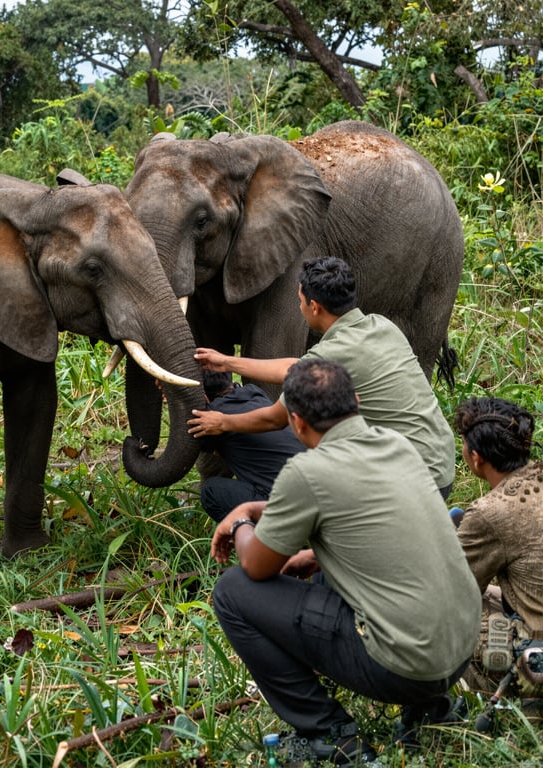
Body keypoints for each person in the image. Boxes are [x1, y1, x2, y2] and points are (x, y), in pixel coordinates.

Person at [210, 359, 481, 765]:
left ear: (297, 423)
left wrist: (241, 520)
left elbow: (256, 566)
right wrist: (315, 554)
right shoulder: (397, 445)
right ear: (355, 401)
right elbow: (370, 519)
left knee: (231, 592)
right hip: (459, 652)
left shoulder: (308, 474)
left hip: (404, 668)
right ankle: (429, 708)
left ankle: (328, 733)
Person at [189, 256, 455, 499]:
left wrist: (222, 422)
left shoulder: (334, 350)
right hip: (441, 463)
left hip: (413, 481)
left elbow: (274, 418)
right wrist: (227, 362)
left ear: (313, 307)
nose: (299, 306)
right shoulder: (381, 326)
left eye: (300, 300)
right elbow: (295, 367)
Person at [453, 397, 543, 698]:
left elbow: (453, 593)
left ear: (476, 458)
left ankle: (492, 686)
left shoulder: (491, 513)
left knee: (436, 615)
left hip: (535, 658)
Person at [198, 371, 306, 522]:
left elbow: (184, 447)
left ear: (203, 397)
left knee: (211, 491)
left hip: (286, 509)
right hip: (320, 497)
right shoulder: (255, 393)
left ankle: (257, 541)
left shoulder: (211, 419)